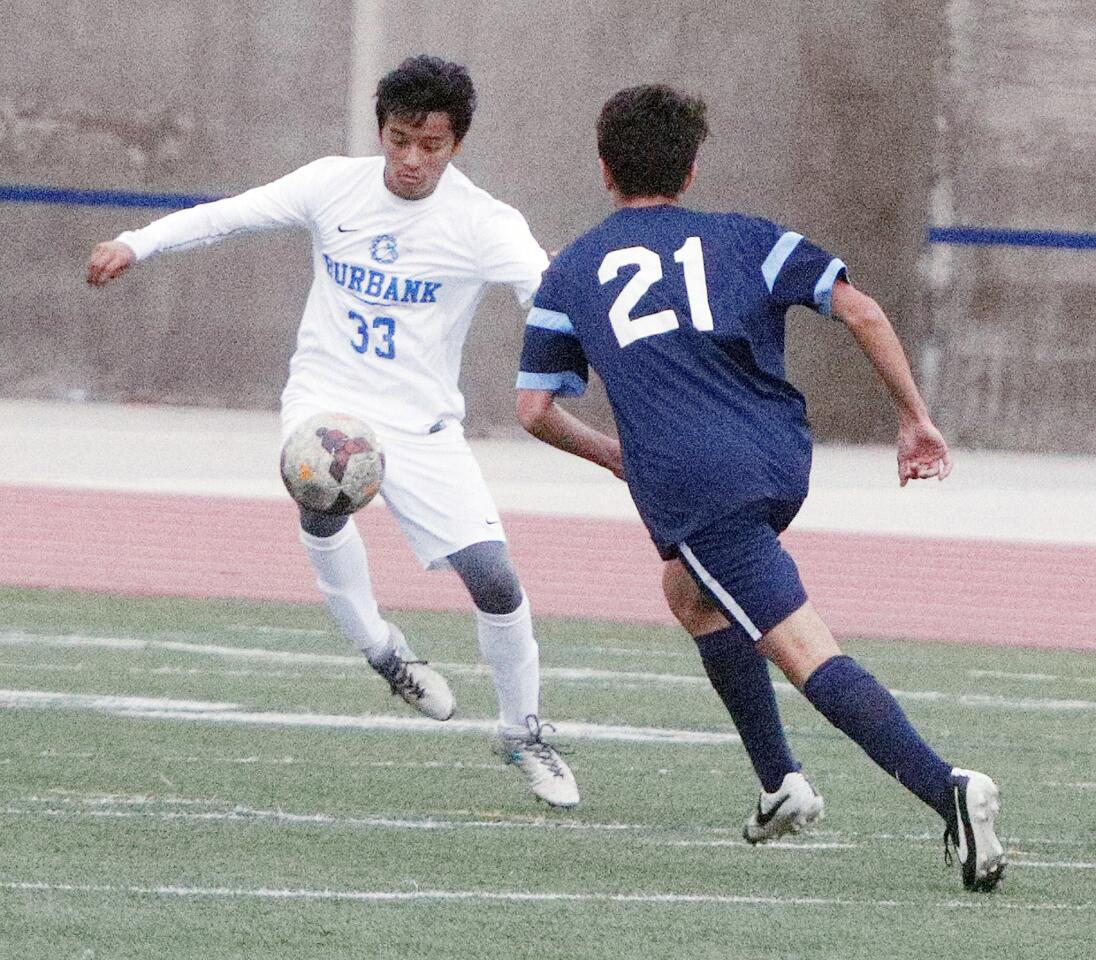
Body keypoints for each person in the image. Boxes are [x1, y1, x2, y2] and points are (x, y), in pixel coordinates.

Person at [514, 83, 1005, 888]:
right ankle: (780, 783)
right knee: (690, 592)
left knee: (804, 651)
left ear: (604, 169)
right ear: (693, 168)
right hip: (778, 461)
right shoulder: (752, 238)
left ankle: (947, 789)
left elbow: (534, 409)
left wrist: (615, 457)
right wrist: (914, 419)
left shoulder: (569, 272)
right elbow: (864, 311)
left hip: (697, 483)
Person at [86, 54, 578, 808]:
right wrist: (136, 242)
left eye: (431, 146)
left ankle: (522, 733)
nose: (411, 159)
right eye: (399, 138)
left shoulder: (484, 223)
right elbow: (228, 216)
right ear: (381, 129)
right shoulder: (331, 185)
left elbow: (541, 296)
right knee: (320, 495)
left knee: (495, 578)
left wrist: (581, 326)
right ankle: (383, 650)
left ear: (457, 145)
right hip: (328, 402)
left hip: (421, 424)